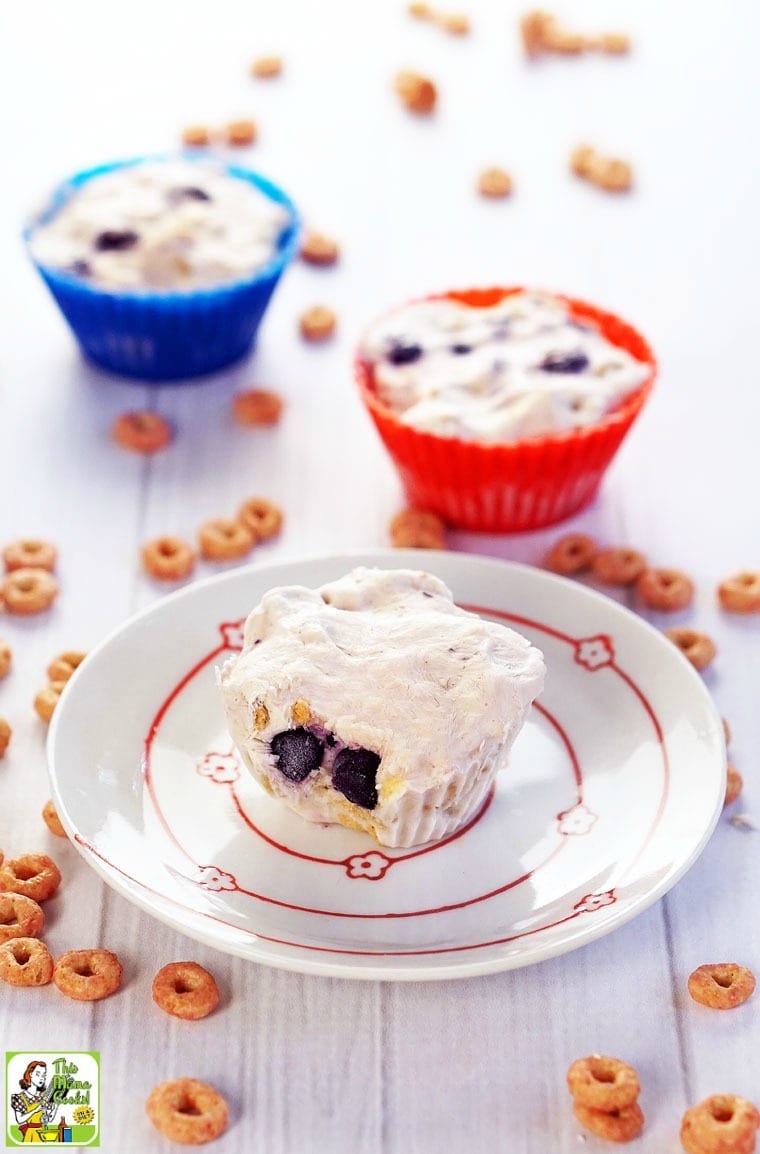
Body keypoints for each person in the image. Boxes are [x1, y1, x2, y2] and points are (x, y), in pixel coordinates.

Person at [10, 1061, 57, 1143]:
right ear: (30, 1074)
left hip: (43, 1134)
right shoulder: (19, 1098)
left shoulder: (44, 1096)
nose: (41, 1078)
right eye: (38, 1074)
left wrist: (56, 1106)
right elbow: (20, 1120)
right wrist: (36, 1110)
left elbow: (49, 1119)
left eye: (44, 1075)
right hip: (30, 1135)